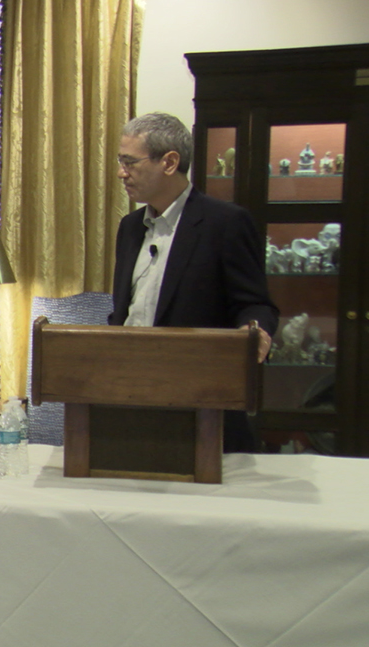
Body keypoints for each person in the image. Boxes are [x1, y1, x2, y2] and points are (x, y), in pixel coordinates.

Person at [109, 112, 279, 452]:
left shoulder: (225, 223)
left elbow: (254, 303)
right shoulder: (130, 227)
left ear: (170, 162)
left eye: (130, 162)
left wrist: (255, 331)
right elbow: (125, 312)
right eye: (120, 161)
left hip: (201, 406)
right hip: (131, 398)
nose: (121, 173)